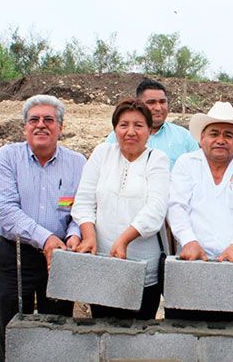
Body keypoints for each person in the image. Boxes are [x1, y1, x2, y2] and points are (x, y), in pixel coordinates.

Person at [0, 94, 86, 362]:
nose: (40, 125)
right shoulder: (8, 157)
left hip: (60, 257)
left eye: (48, 120)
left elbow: (82, 209)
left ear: (61, 127)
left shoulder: (77, 162)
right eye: (34, 120)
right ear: (25, 127)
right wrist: (46, 240)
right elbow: (7, 212)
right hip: (16, 256)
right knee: (11, 327)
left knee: (56, 327)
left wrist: (74, 235)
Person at [167, 101, 233, 322]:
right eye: (214, 133)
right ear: (202, 138)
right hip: (192, 263)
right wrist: (189, 241)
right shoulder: (186, 163)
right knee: (184, 330)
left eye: (228, 135)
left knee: (229, 337)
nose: (221, 140)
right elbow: (176, 207)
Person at [71, 99, 169, 320]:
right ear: (115, 128)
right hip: (103, 264)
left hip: (143, 266)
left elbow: (155, 210)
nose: (131, 132)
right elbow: (84, 201)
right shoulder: (102, 154)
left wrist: (124, 240)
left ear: (149, 130)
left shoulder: (157, 160)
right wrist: (88, 236)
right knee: (103, 331)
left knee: (137, 339)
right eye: (124, 125)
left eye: (139, 125)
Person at [106, 79, 199, 169]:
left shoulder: (185, 137)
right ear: (138, 104)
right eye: (151, 102)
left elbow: (197, 171)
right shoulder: (117, 138)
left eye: (162, 102)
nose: (158, 108)